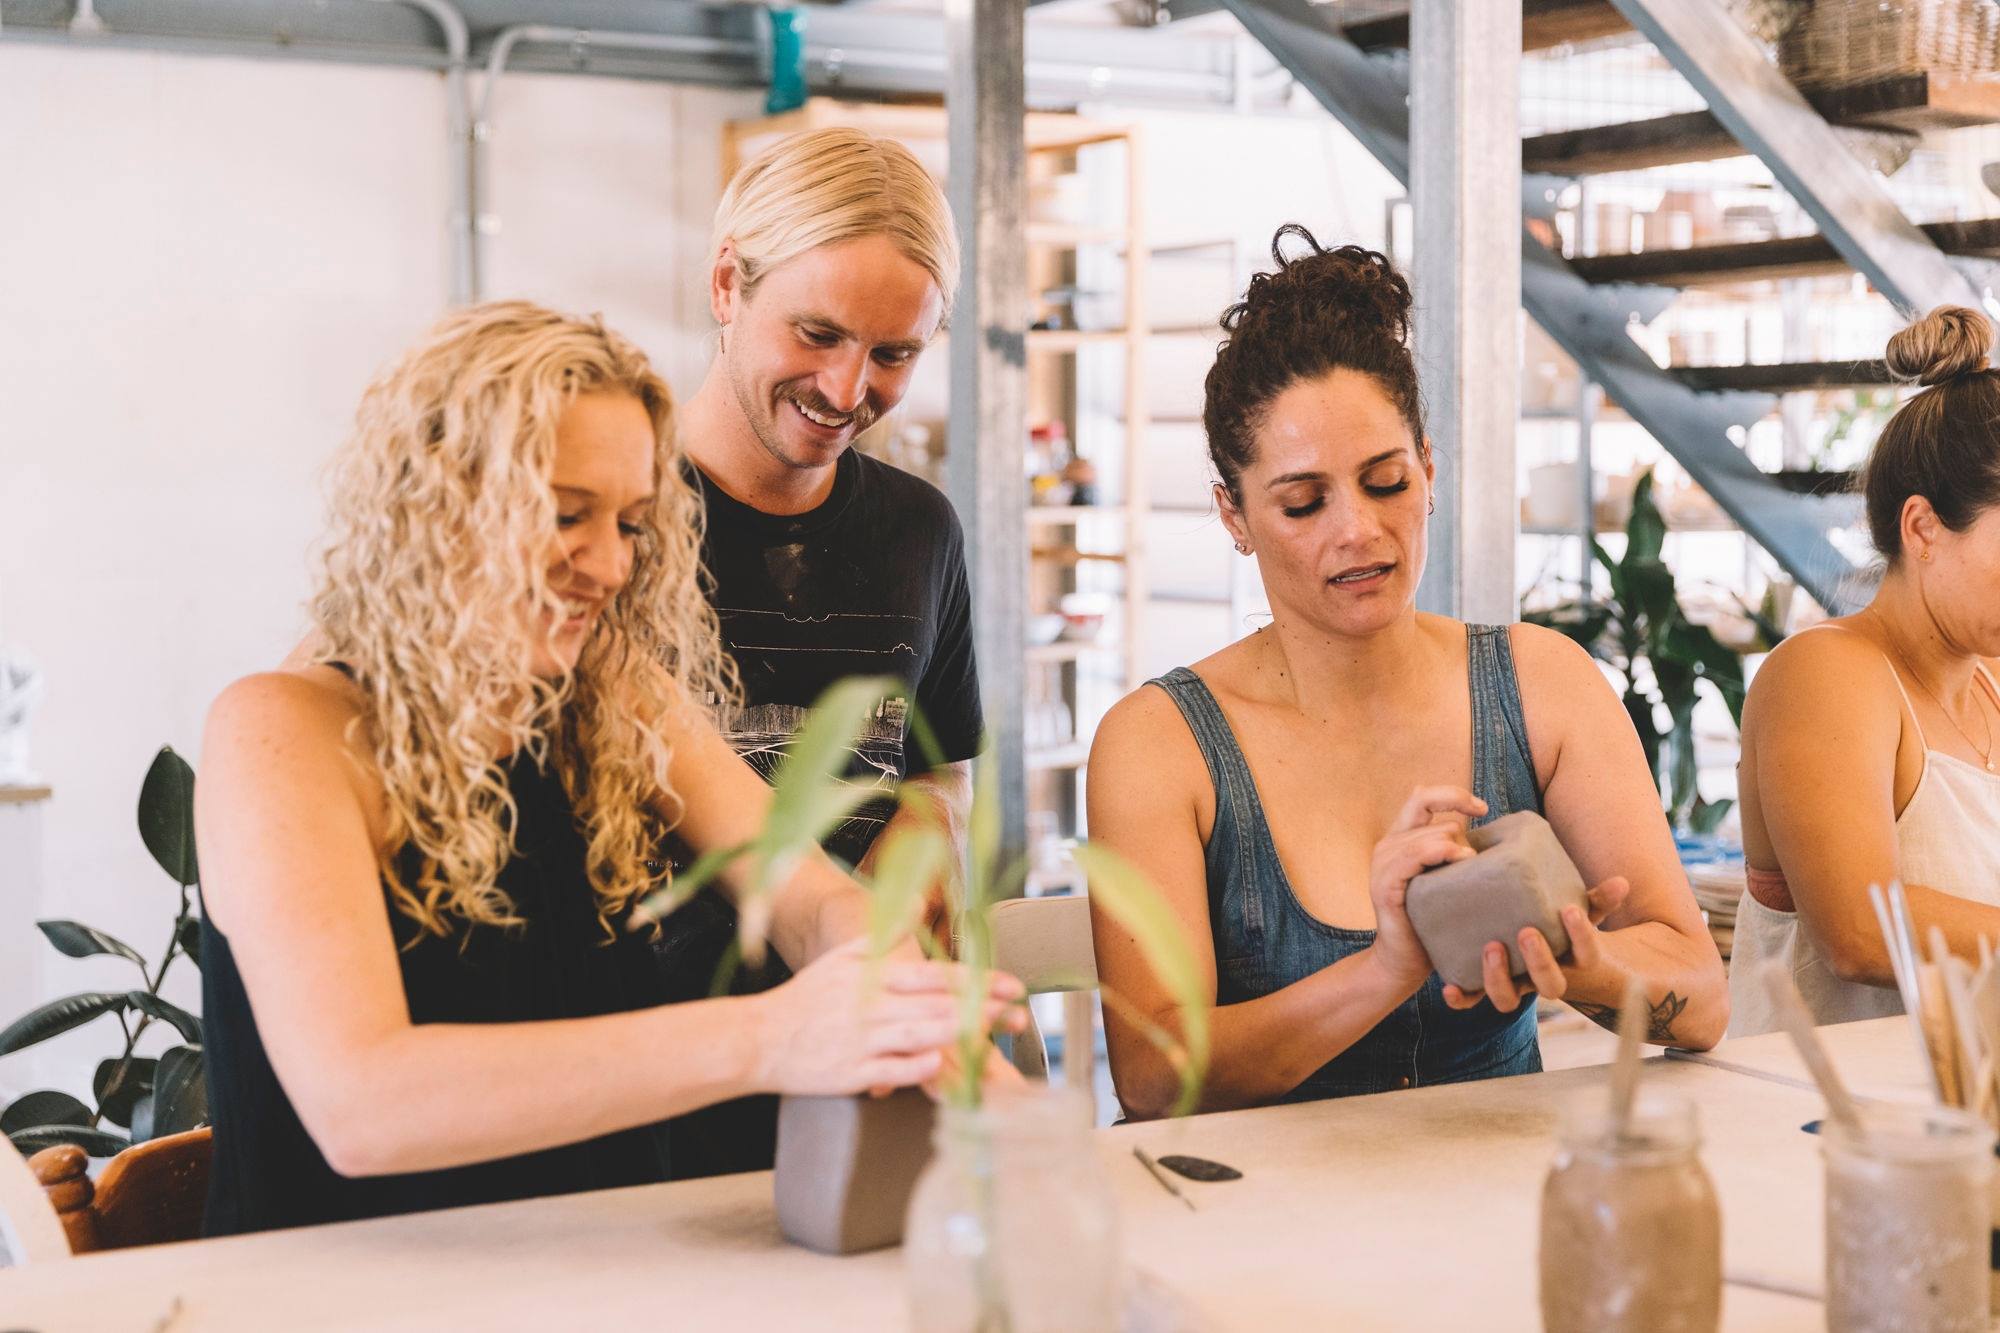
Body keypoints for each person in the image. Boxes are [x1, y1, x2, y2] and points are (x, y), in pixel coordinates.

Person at [195, 302, 1018, 1235]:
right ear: (434, 505)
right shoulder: (282, 730)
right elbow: (362, 1104)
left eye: (631, 523)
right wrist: (776, 1037)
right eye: (565, 514)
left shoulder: (611, 695)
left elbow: (804, 896)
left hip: (602, 1273)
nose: (611, 563)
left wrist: (894, 994)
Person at [1086, 226, 1727, 1119]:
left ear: (1428, 470)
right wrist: (1390, 966)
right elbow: (1154, 1077)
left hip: (1494, 1200)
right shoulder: (1159, 744)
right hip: (1254, 1225)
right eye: (1304, 502)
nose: (1358, 531)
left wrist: (1584, 963)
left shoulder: (1544, 685)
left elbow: (1702, 998)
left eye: (1386, 482)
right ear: (1233, 514)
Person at [678, 127, 978, 875]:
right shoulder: (613, 522)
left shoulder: (921, 529)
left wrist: (933, 819)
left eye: (892, 354)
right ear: (726, 285)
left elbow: (939, 764)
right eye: (817, 333)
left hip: (861, 990)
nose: (846, 392)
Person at [1728, 305, 2000, 1035]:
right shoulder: (1827, 674)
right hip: (1818, 1125)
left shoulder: (1990, 685)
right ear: (1923, 529)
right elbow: (1860, 928)